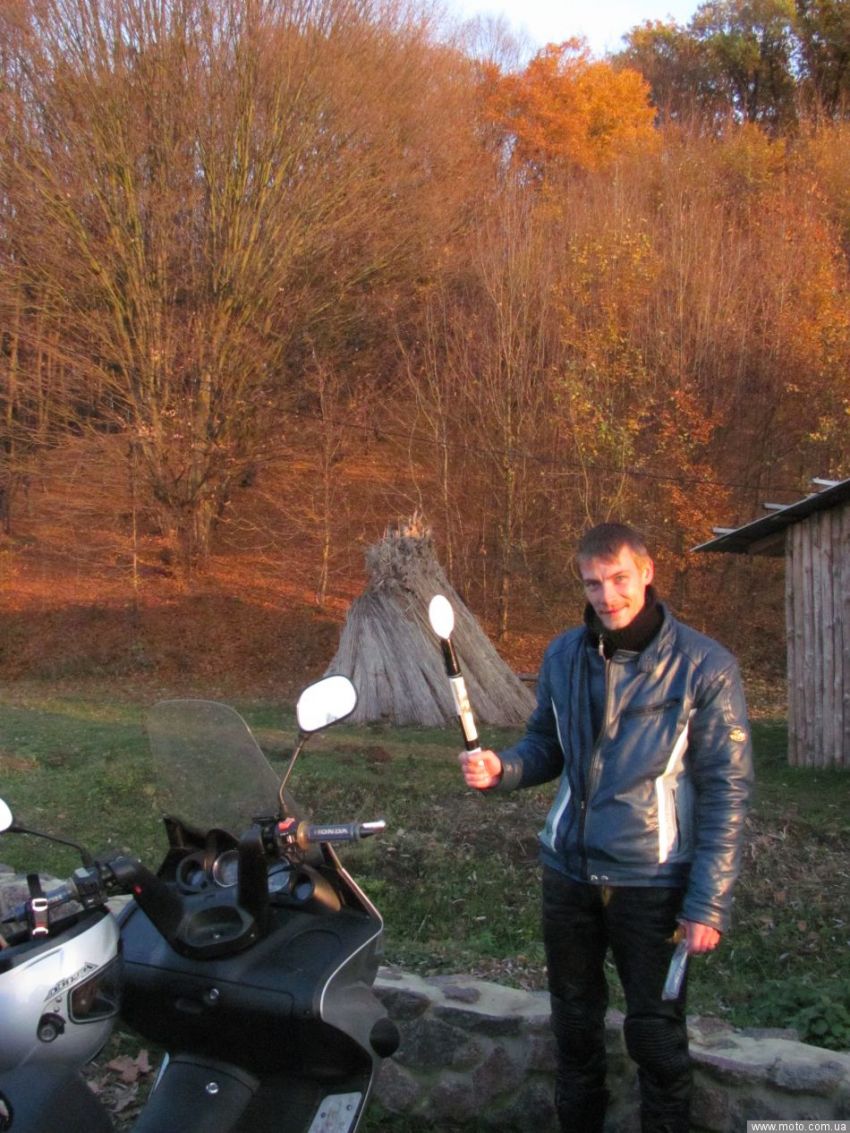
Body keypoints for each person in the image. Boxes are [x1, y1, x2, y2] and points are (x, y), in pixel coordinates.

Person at [460, 522, 753, 1133]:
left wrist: (708, 902)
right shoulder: (563, 655)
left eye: (619, 579)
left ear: (646, 572)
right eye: (593, 583)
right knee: (573, 1028)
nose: (607, 595)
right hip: (567, 871)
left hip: (653, 880)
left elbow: (727, 790)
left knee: (655, 1037)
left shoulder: (705, 666)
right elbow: (547, 744)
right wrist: (503, 768)